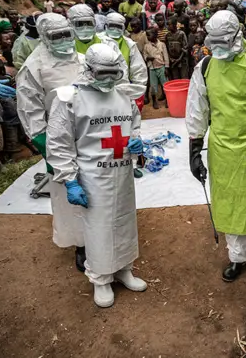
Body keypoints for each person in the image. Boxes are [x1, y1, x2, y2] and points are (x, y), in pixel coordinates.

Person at [186, 11, 246, 282]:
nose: (218, 49)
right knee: (229, 203)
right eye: (213, 43)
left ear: (237, 36)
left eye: (223, 42)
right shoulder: (204, 68)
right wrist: (194, 151)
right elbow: (197, 109)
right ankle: (237, 257)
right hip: (222, 148)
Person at [46, 43, 147, 308]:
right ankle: (101, 279)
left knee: (125, 221)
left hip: (122, 170)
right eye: (103, 73)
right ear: (88, 69)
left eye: (114, 73)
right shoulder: (70, 98)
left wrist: (135, 141)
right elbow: (58, 142)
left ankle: (124, 268)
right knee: (99, 226)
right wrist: (69, 179)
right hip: (92, 175)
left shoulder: (123, 94)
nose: (109, 79)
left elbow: (133, 123)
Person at [16, 13, 87, 272]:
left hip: (90, 136)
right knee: (70, 198)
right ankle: (81, 245)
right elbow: (30, 115)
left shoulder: (81, 59)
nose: (64, 40)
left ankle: (101, 236)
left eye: (67, 33)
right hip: (59, 142)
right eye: (57, 36)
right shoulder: (33, 68)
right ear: (45, 38)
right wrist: (51, 152)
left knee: (98, 191)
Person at [103, 13, 148, 102]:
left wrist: (136, 92)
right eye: (112, 26)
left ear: (123, 28)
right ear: (106, 26)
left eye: (118, 26)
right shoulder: (99, 40)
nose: (115, 29)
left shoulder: (129, 43)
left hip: (124, 88)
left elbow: (138, 69)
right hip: (101, 88)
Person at [143, 28, 169, 109]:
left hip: (161, 67)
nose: (147, 37)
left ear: (155, 35)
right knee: (153, 86)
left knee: (165, 85)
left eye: (149, 35)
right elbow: (144, 55)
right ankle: (154, 101)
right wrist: (148, 58)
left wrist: (166, 67)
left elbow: (166, 56)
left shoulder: (162, 44)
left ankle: (168, 100)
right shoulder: (146, 46)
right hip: (152, 69)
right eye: (147, 35)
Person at [165, 16, 188, 80]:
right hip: (173, 61)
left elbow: (185, 48)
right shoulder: (167, 35)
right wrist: (170, 59)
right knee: (176, 78)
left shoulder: (181, 34)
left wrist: (179, 59)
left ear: (175, 24)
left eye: (170, 25)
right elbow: (167, 48)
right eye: (167, 25)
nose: (168, 26)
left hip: (182, 60)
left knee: (184, 77)